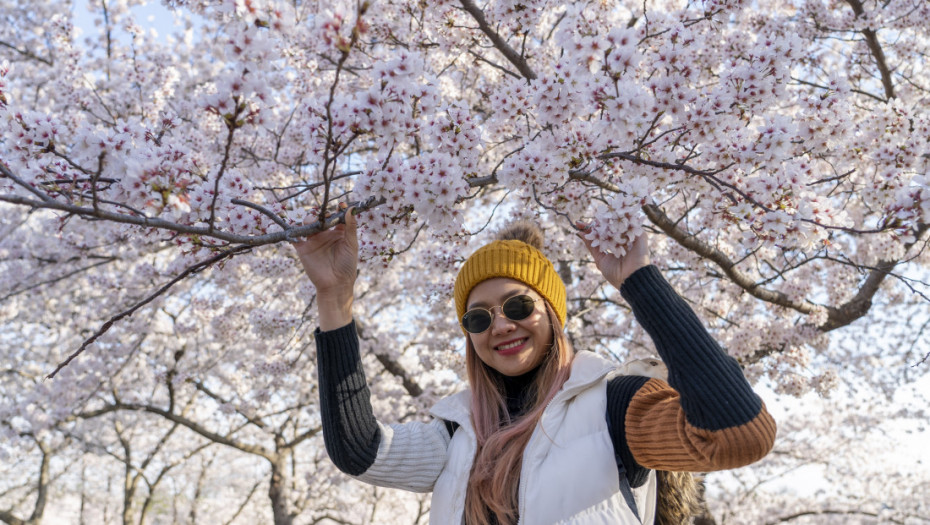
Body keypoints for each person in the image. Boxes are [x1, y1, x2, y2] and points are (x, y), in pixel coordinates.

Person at [294, 210, 776, 525]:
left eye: (519, 306)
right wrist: (334, 299)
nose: (500, 324)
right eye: (478, 317)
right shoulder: (458, 433)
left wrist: (638, 282)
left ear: (553, 313)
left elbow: (739, 435)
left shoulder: (615, 406)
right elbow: (360, 449)